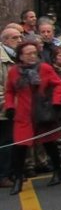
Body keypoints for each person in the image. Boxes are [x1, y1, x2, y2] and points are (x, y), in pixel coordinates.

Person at [5, 41, 61, 195]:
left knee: (49, 143)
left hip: (42, 111)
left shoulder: (44, 68)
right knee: (20, 147)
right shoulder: (14, 72)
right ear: (20, 56)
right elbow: (9, 90)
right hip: (23, 114)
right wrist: (9, 106)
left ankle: (57, 170)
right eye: (28, 54)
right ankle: (18, 178)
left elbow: (58, 84)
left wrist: (57, 102)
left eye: (34, 53)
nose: (32, 56)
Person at [0, 25, 22, 189]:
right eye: (15, 38)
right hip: (5, 109)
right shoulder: (3, 59)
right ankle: (3, 175)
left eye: (20, 37)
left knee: (14, 140)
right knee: (6, 142)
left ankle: (13, 172)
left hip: (17, 106)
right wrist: (5, 104)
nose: (19, 40)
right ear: (5, 40)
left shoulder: (16, 56)